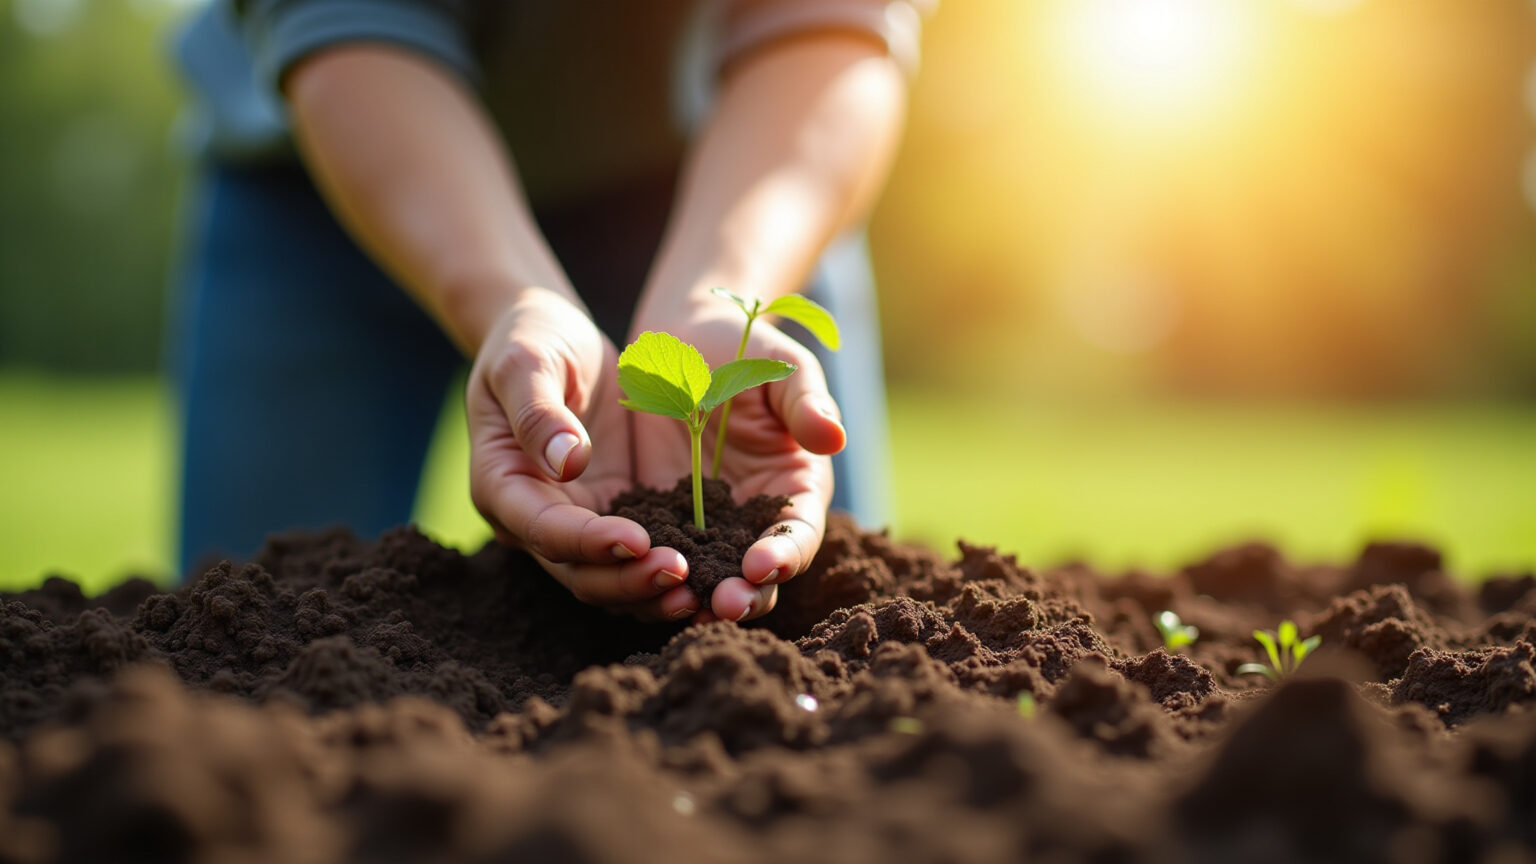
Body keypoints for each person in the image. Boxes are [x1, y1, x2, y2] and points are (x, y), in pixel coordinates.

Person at [170, 0, 930, 624]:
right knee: (265, 630)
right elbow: (344, 18)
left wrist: (717, 286)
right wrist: (514, 300)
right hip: (335, 182)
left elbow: (833, 28)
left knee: (825, 629)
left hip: (727, 183)